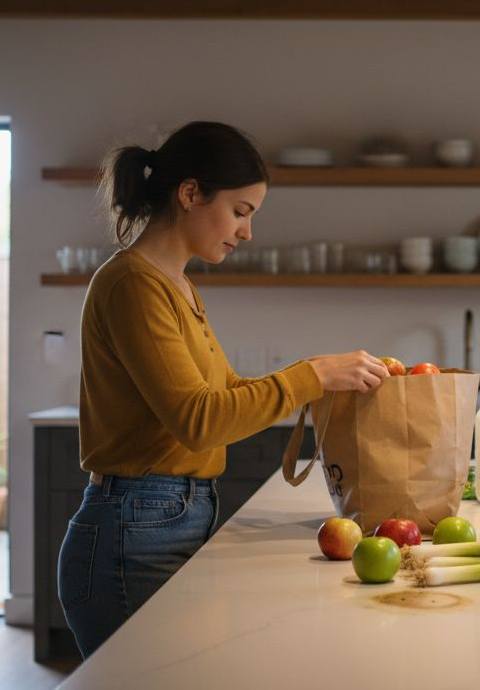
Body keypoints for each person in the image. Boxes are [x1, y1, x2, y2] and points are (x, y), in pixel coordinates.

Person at [57, 121, 389, 657]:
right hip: (133, 533)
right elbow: (200, 421)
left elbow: (225, 392)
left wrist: (317, 376)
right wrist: (312, 376)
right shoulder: (133, 284)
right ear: (190, 193)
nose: (247, 232)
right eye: (240, 211)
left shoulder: (177, 285)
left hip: (164, 520)